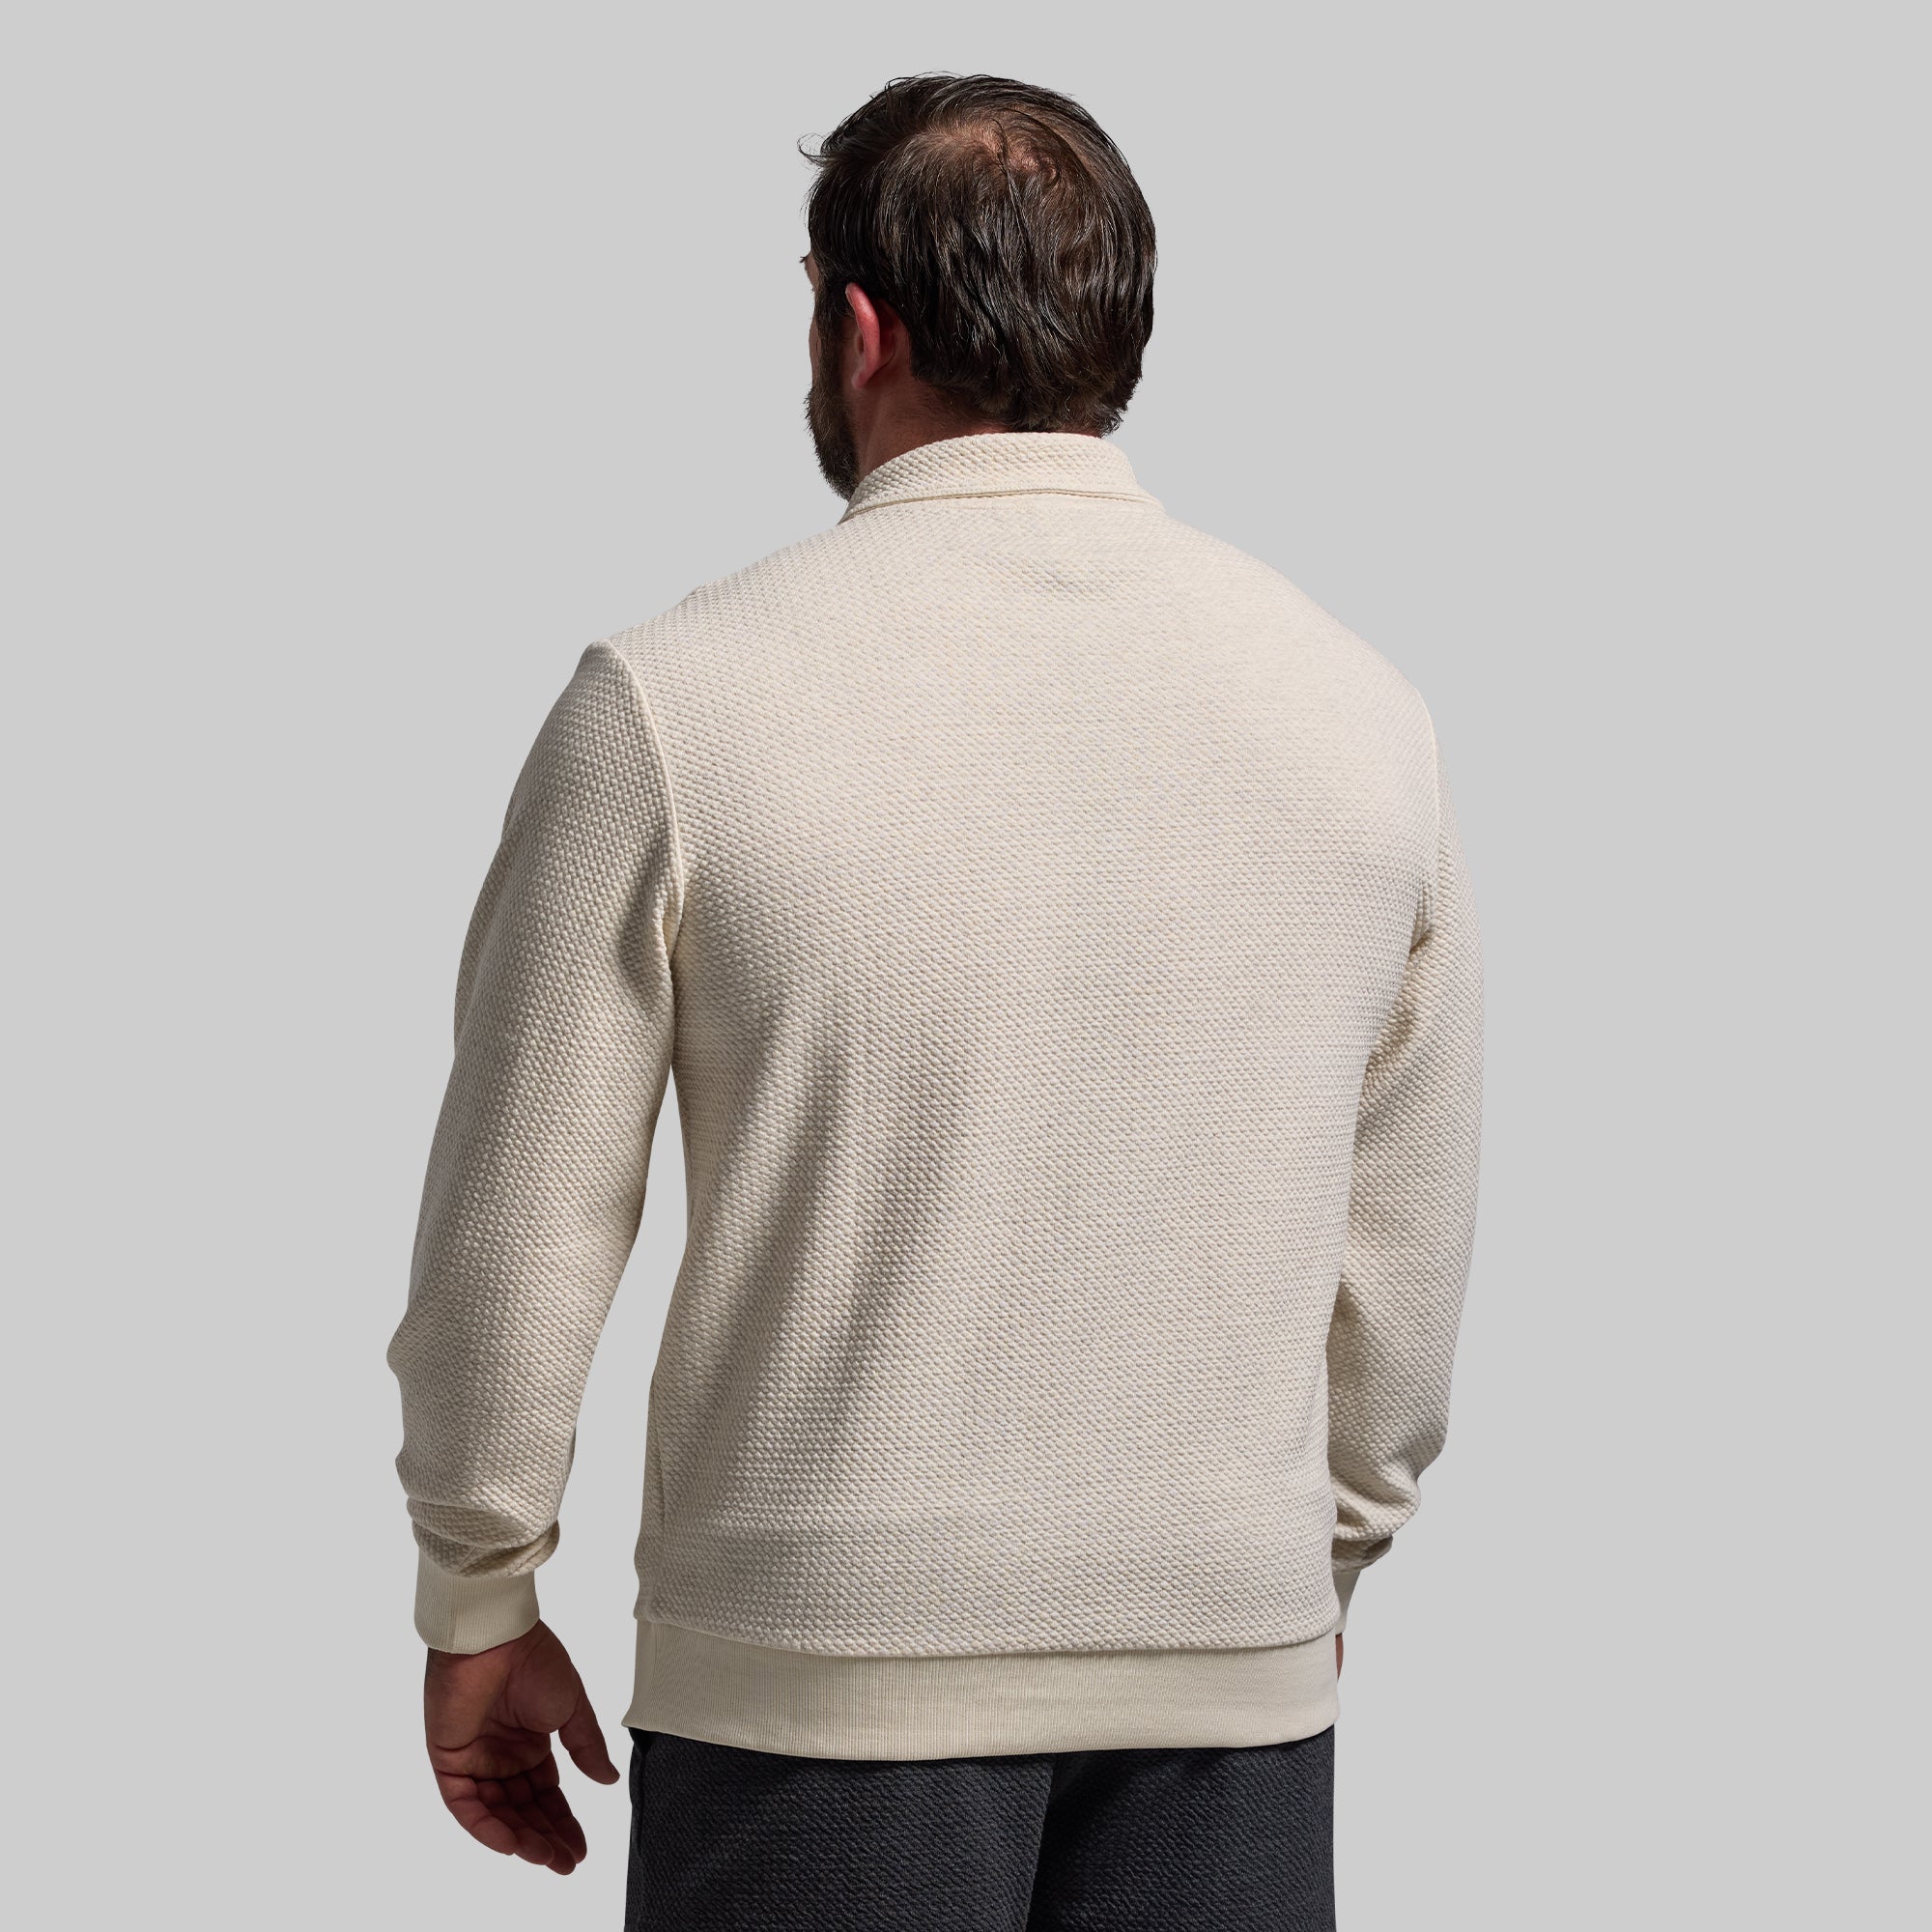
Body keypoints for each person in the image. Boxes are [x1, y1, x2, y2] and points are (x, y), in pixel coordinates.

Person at [388, 71, 1484, 1931]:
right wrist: (1311, 1571)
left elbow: (520, 1222)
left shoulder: (674, 707)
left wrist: (479, 1589)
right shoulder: (1365, 720)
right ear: (1118, 330)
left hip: (818, 1683)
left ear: (858, 327)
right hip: (1230, 1683)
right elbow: (1406, 1258)